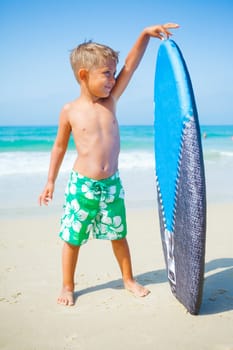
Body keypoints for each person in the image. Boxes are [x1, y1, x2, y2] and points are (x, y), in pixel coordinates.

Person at [39, 22, 179, 306]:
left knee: (119, 234)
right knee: (72, 238)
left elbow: (131, 66)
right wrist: (50, 181)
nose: (113, 80)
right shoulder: (69, 110)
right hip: (82, 186)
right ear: (83, 75)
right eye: (106, 74)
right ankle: (68, 286)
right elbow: (58, 147)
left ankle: (128, 280)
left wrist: (143, 35)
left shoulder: (111, 100)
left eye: (113, 74)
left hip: (111, 184)